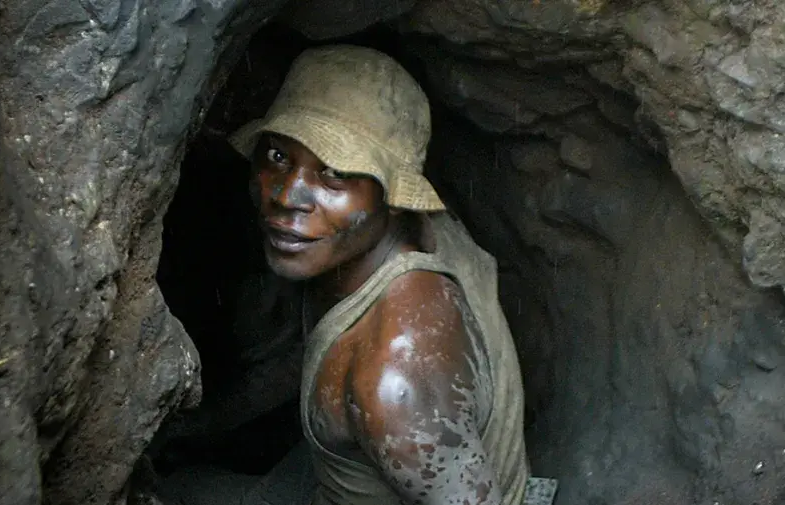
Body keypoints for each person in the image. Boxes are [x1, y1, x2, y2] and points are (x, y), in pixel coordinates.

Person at [158, 44, 548, 505]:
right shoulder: (389, 245)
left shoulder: (395, 383)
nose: (287, 196)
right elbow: (325, 355)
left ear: (391, 196)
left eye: (336, 174)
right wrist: (208, 423)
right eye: (279, 157)